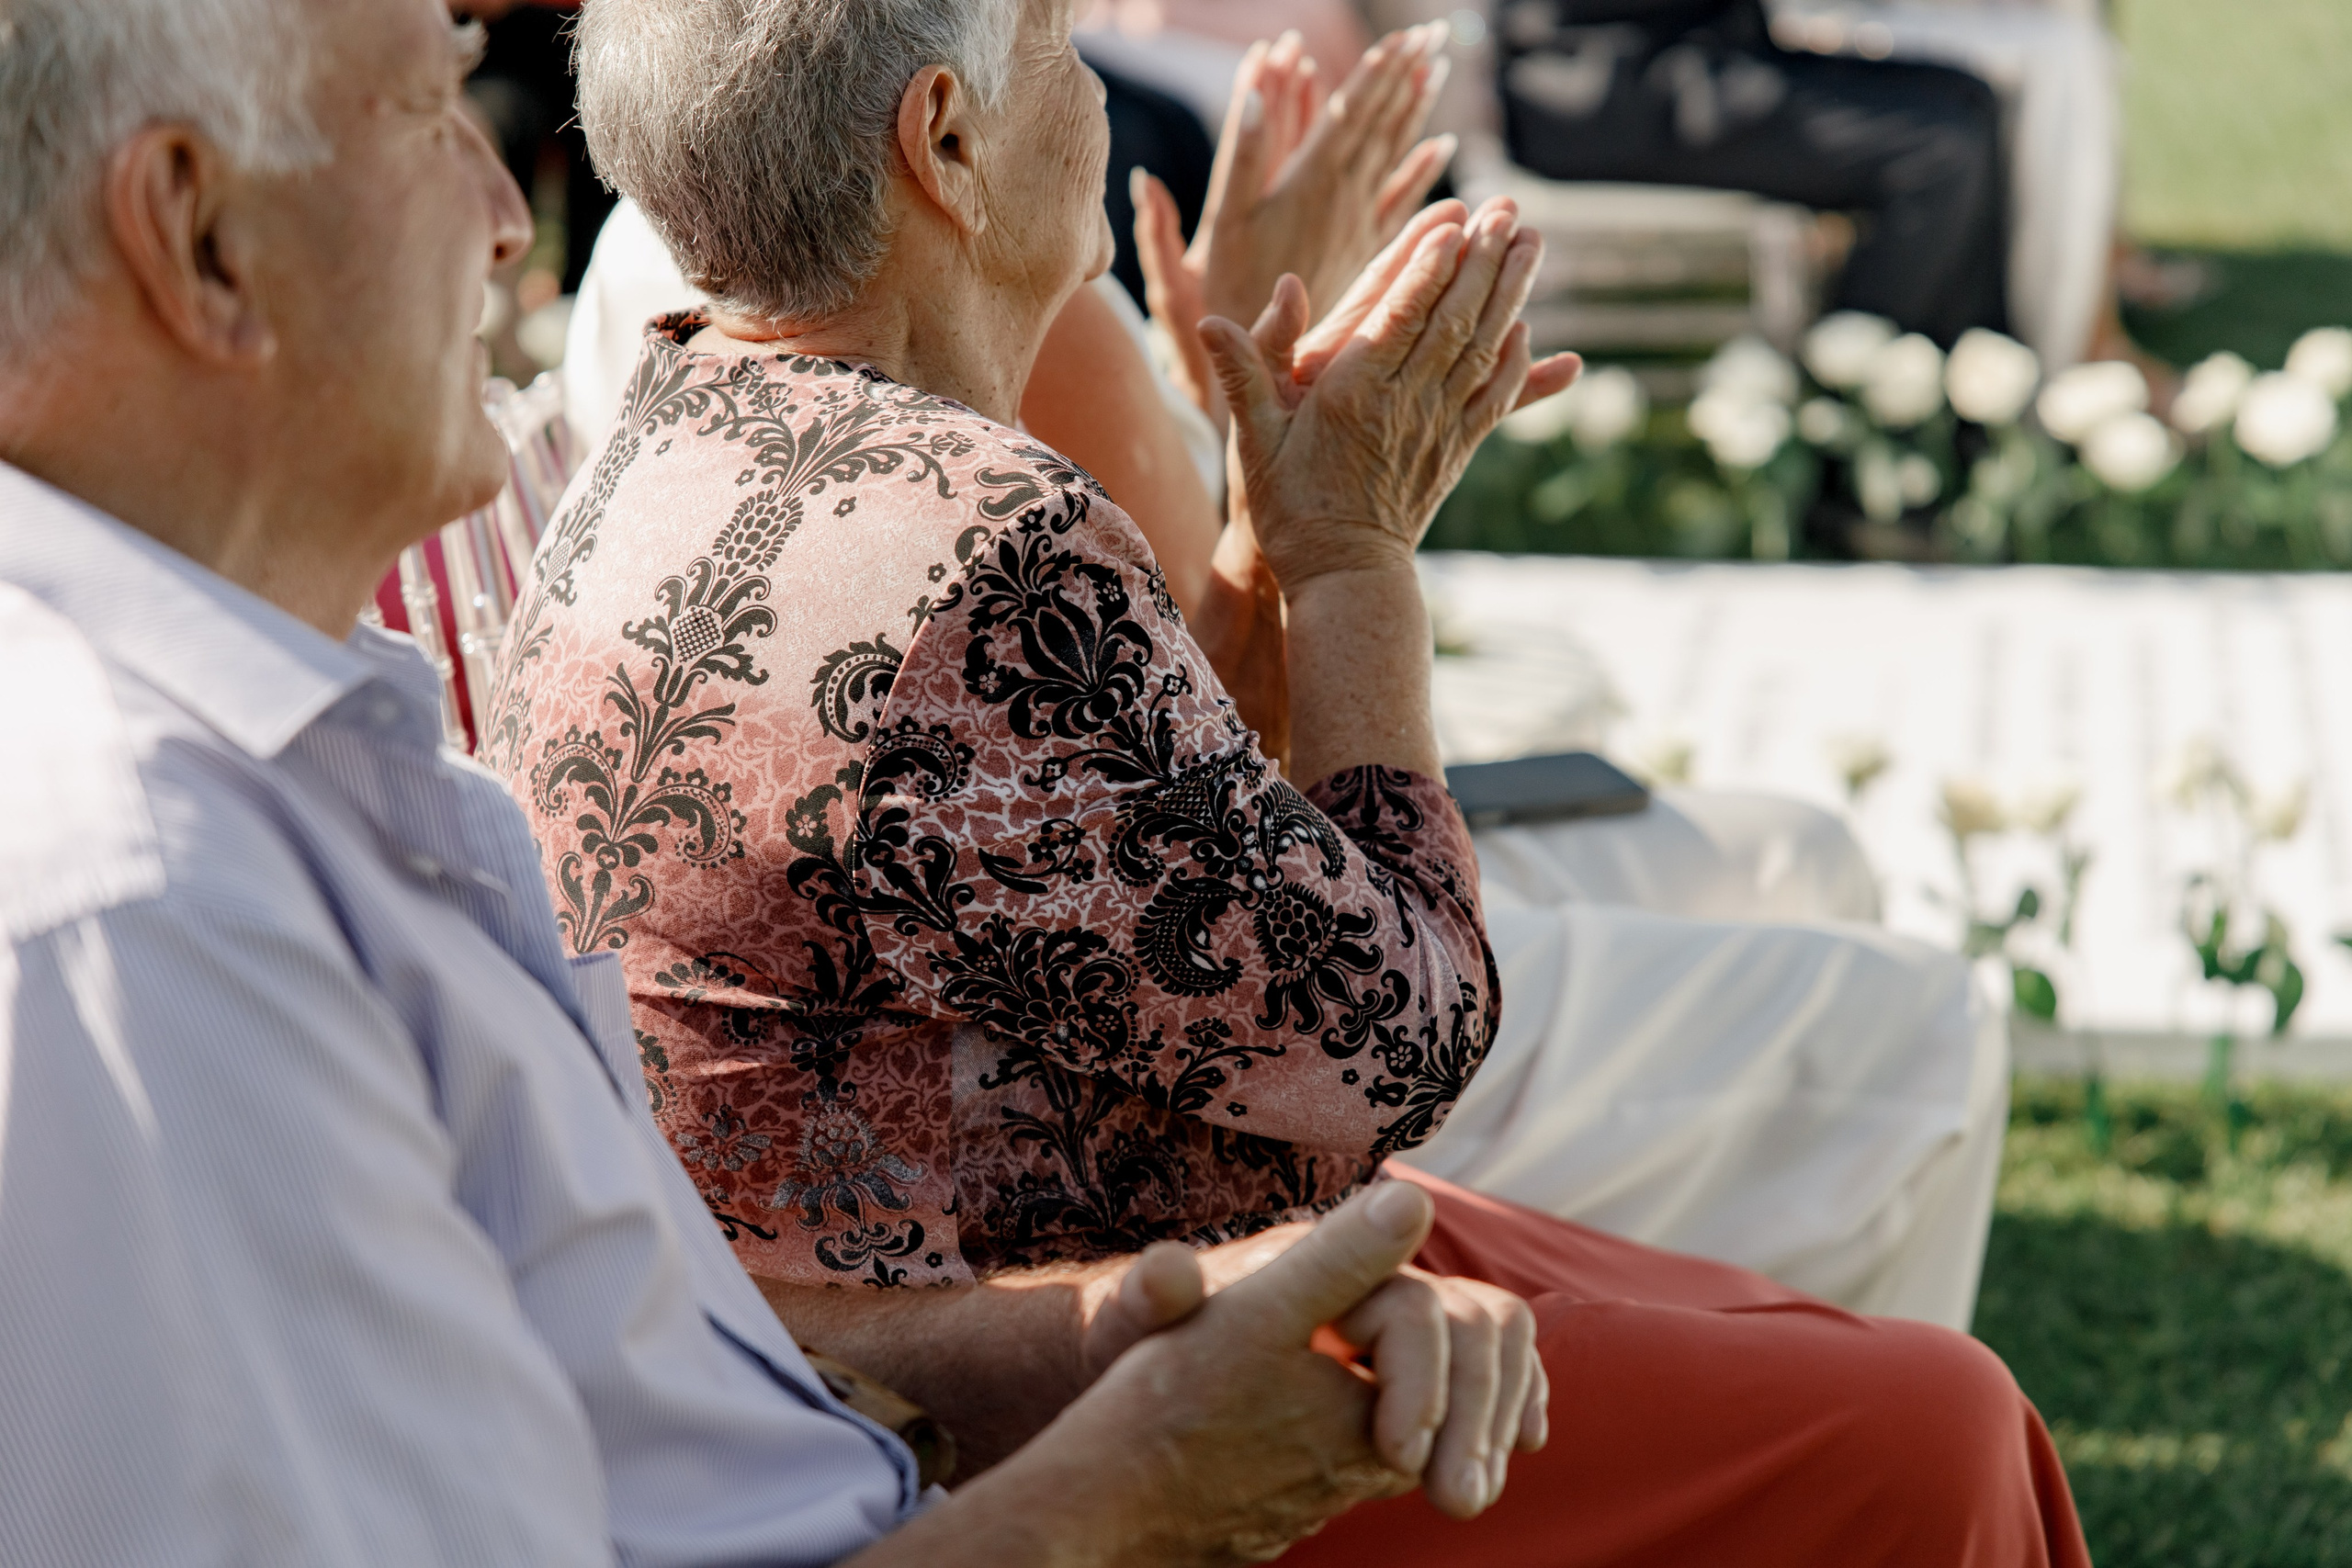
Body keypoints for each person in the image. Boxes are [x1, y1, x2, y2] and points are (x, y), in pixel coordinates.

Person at [492, 1, 2091, 1563]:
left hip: (936, 1323)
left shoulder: (682, 419)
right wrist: (1353, 554)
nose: (1094, 71)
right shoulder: (975, 545)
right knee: (1937, 1420)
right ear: (949, 140)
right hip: (1050, 1403)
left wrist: (1266, 530)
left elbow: (1147, 832)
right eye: (1050, 33)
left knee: (1810, 1342)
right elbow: (1400, 1036)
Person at [0, 1, 1553, 1562]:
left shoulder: (358, 730)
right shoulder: (144, 912)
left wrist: (1101, 1347)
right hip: (1062, 1413)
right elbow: (1394, 1031)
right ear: (196, 236)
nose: (499, 218)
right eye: (424, 111)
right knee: (1801, 1360)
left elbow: (665, 1341)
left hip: (1005, 1367)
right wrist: (1139, 1483)